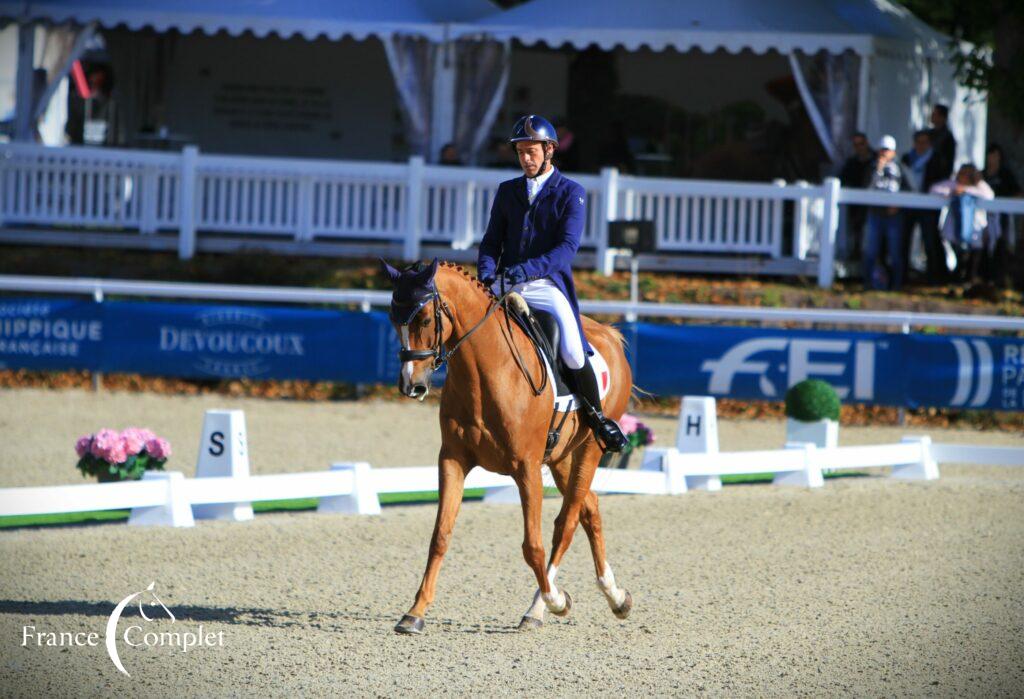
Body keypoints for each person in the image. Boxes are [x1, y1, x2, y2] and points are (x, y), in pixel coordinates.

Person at [477, 114, 627, 452]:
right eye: (520, 153)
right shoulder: (507, 191)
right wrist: (487, 275)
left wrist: (524, 271)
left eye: (531, 152)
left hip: (546, 286)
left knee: (574, 352)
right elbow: (490, 242)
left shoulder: (571, 193)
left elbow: (565, 250)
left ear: (549, 151)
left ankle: (597, 417)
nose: (526, 159)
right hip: (505, 282)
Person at [930, 163, 995, 283]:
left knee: (973, 259)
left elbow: (989, 195)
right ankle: (954, 281)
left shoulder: (979, 187)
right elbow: (934, 189)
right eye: (961, 173)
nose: (962, 176)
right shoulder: (953, 185)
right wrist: (952, 192)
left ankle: (969, 281)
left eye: (966, 174)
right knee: (956, 258)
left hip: (976, 229)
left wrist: (966, 190)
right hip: (955, 230)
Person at [862, 135, 911, 290]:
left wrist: (898, 205)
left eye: (887, 150)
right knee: (871, 250)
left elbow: (910, 188)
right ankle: (868, 284)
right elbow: (865, 188)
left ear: (893, 152)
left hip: (893, 215)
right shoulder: (872, 167)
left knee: (895, 252)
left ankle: (896, 285)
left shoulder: (900, 168)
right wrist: (878, 169)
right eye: (882, 150)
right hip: (875, 213)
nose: (884, 153)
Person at [900, 129, 947, 282]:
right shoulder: (907, 159)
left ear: (929, 144)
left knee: (930, 240)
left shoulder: (937, 159)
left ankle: (935, 276)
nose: (921, 145)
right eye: (918, 142)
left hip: (928, 206)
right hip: (909, 205)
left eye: (924, 142)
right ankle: (903, 276)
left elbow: (941, 180)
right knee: (904, 240)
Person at [983, 144, 1022, 285]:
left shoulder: (1005, 174)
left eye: (995, 155)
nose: (992, 159)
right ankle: (983, 276)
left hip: (1002, 217)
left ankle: (1000, 277)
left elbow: (1018, 194)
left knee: (1001, 245)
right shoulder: (983, 174)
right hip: (984, 217)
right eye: (990, 155)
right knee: (984, 246)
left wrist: (1005, 203)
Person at [838, 132, 876, 259]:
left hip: (873, 205)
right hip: (856, 205)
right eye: (856, 145)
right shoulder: (852, 162)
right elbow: (842, 179)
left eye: (861, 144)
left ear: (867, 144)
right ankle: (856, 254)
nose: (859, 147)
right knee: (856, 230)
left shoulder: (876, 161)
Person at [928, 104, 957, 180]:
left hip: (939, 177)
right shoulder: (929, 134)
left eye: (934, 114)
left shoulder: (948, 137)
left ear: (942, 117)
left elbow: (948, 162)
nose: (932, 116)